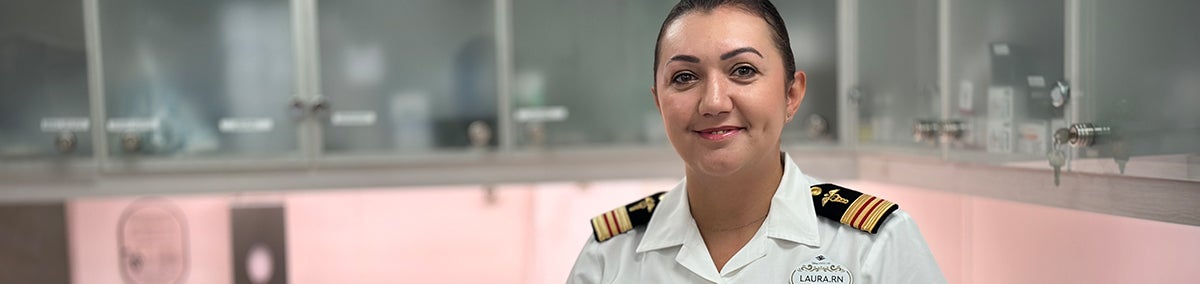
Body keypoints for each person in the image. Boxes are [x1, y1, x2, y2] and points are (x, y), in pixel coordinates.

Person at [566, 0, 946, 283]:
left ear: (791, 95)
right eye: (684, 77)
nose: (714, 102)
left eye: (743, 70)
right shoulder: (610, 257)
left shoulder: (872, 246)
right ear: (659, 102)